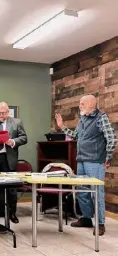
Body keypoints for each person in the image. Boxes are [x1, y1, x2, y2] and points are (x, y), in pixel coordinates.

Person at [55, 94, 117, 236]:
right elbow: (76, 136)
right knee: (82, 191)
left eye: (82, 103)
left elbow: (112, 139)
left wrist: (107, 157)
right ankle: (87, 218)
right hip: (81, 160)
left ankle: (100, 223)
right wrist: (62, 126)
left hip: (95, 161)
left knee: (97, 193)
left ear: (91, 104)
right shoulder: (83, 118)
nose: (79, 105)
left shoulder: (101, 118)